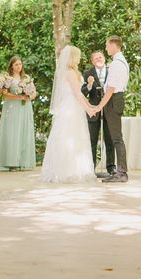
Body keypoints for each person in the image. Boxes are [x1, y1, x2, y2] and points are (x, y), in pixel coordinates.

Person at [41, 45, 97, 183]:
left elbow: (80, 94)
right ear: (72, 57)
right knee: (69, 136)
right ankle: (66, 171)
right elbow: (77, 94)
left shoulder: (73, 71)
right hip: (70, 108)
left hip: (75, 107)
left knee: (77, 136)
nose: (80, 58)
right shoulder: (70, 73)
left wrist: (90, 105)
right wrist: (88, 109)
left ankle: (75, 169)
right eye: (78, 55)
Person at [95, 35, 130, 183]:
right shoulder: (121, 61)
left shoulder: (116, 63)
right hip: (116, 99)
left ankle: (122, 173)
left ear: (114, 45)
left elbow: (111, 88)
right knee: (115, 137)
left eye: (107, 45)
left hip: (113, 100)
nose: (106, 48)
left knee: (116, 138)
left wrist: (99, 106)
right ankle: (117, 171)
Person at [0, 56, 37, 170]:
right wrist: (19, 97)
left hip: (25, 107)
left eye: (20, 64)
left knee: (24, 130)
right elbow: (4, 94)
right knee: (13, 132)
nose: (19, 66)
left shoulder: (26, 78)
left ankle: (23, 161)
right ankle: (12, 162)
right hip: (13, 107)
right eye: (16, 64)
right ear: (11, 66)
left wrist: (30, 96)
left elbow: (34, 92)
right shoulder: (8, 78)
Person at [81, 50, 116, 177]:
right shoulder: (87, 73)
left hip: (109, 109)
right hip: (93, 110)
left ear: (104, 58)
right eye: (96, 59)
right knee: (92, 139)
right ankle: (91, 167)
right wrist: (89, 85)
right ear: (92, 61)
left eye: (100, 57)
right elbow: (83, 92)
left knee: (110, 139)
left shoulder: (112, 70)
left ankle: (111, 167)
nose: (99, 59)